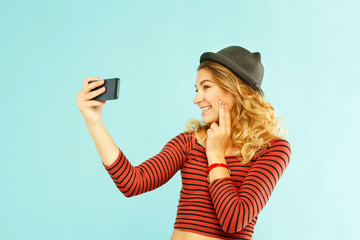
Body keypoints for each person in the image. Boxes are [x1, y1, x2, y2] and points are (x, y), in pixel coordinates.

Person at [76, 46, 291, 240]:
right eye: (197, 90)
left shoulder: (272, 150)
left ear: (235, 89)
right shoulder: (189, 142)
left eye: (206, 87)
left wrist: (215, 156)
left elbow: (233, 220)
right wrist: (94, 123)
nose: (197, 99)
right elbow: (132, 182)